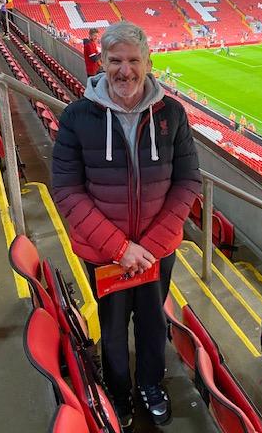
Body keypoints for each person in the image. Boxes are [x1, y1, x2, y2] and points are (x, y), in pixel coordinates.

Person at [52, 22, 201, 427]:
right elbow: (67, 190)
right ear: (102, 63)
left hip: (158, 250)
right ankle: (118, 393)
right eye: (115, 60)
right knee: (113, 329)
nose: (125, 70)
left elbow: (188, 181)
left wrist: (150, 246)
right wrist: (121, 249)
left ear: (148, 62)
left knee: (153, 324)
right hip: (105, 253)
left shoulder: (172, 113)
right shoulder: (77, 117)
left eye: (134, 60)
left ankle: (151, 384)